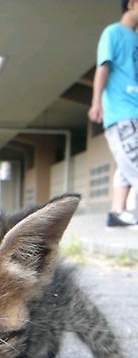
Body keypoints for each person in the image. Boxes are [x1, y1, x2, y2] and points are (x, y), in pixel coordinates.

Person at [88, 0, 138, 227]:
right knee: (134, 162)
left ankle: (117, 213)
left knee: (126, 164)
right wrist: (96, 101)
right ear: (132, 3)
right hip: (122, 113)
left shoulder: (135, 39)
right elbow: (103, 67)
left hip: (134, 111)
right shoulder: (113, 32)